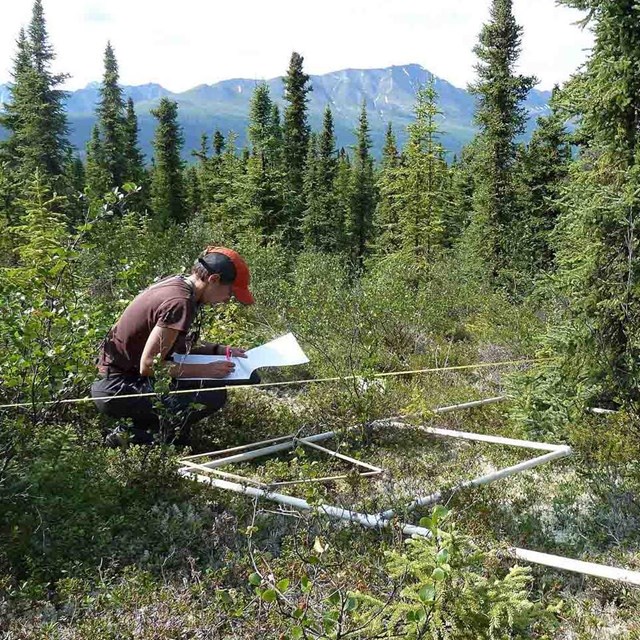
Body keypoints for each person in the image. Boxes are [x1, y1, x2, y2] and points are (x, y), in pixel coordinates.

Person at [91, 245, 258, 446]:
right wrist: (206, 369)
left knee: (206, 387)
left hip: (119, 382)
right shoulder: (180, 302)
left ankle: (159, 433)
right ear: (213, 280)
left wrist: (218, 350)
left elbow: (172, 344)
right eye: (229, 293)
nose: (225, 301)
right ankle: (134, 437)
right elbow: (150, 365)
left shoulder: (178, 285)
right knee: (211, 394)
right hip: (117, 389)